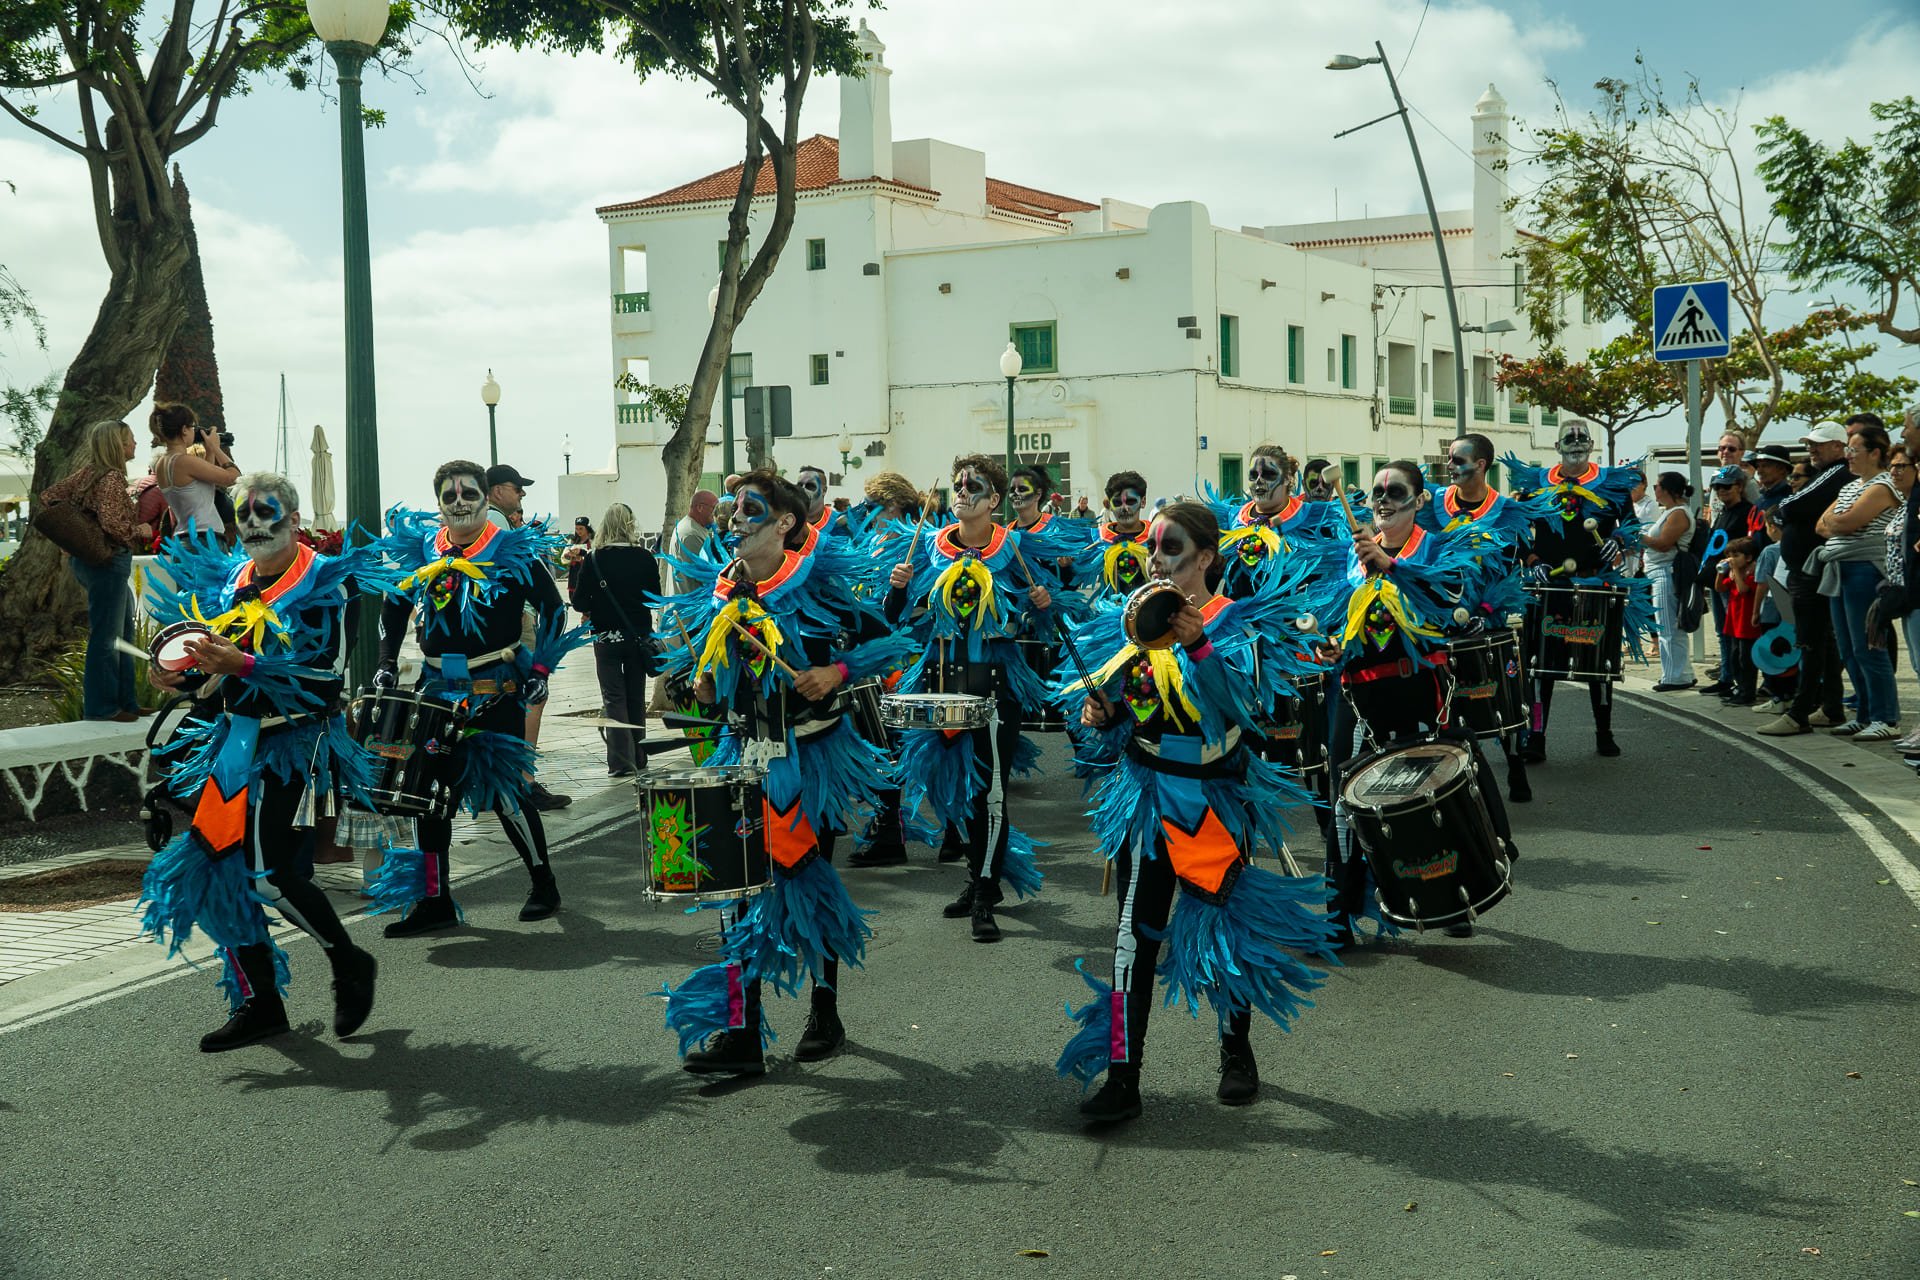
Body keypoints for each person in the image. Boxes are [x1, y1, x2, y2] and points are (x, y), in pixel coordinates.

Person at [1055, 501, 1338, 1124]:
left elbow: (1245, 709)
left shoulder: (1239, 623)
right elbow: (1116, 720)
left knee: (1224, 932)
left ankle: (1235, 1052)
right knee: (1132, 939)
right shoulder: (1128, 622)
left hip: (1213, 797)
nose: (1155, 558)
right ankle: (1124, 1075)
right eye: (1154, 548)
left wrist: (1200, 645)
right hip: (1148, 794)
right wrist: (1100, 717)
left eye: (1171, 547)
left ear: (1205, 557)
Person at [655, 470, 899, 1076]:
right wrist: (704, 683)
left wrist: (835, 675)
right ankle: (741, 1031)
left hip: (812, 758)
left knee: (808, 883)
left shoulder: (819, 581)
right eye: (735, 510)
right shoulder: (721, 592)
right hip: (741, 753)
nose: (736, 520)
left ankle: (825, 1009)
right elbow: (705, 680)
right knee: (733, 891)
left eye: (751, 510)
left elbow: (886, 641)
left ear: (785, 523)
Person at [136, 471, 382, 1052]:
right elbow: (209, 670)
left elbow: (326, 677)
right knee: (216, 875)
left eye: (266, 513)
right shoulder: (231, 582)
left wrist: (242, 667)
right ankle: (261, 1003)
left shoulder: (323, 584)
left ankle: (348, 961)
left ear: (295, 521)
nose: (252, 524)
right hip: (232, 746)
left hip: (296, 746)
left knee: (270, 875)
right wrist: (176, 673)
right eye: (244, 514)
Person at [367, 459, 584, 933]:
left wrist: (541, 667)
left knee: (505, 792)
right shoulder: (423, 550)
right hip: (435, 689)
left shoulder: (511, 550)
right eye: (450, 496)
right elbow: (393, 607)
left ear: (487, 499)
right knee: (427, 795)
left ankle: (543, 881)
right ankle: (435, 900)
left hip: (496, 689)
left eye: (469, 494)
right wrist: (385, 662)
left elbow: (553, 608)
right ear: (439, 504)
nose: (460, 502)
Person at [1322, 461, 1513, 943]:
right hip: (1360, 690)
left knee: (1430, 789)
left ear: (1420, 500)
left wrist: (1391, 565)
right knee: (1347, 795)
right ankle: (1337, 914)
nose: (1383, 500)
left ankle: (1452, 903)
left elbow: (1449, 598)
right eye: (1376, 492)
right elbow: (1334, 619)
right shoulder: (1349, 553)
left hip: (1420, 686)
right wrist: (1328, 644)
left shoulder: (1436, 547)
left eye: (1395, 491)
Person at [885, 454, 1074, 941]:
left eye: (976, 487)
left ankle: (985, 889)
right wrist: (899, 591)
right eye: (958, 485)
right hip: (940, 679)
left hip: (994, 685)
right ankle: (979, 879)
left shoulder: (1014, 550)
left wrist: (1041, 609)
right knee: (958, 793)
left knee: (990, 793)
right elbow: (897, 618)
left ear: (993, 500)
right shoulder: (928, 548)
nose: (963, 492)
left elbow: (1041, 627)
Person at [1504, 422, 1651, 760]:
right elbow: (1517, 529)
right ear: (1557, 446)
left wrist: (1617, 540)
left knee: (1599, 663)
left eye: (1582, 437)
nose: (1576, 442)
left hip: (1596, 583)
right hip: (1548, 586)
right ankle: (1537, 736)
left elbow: (1630, 525)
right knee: (1541, 665)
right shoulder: (1535, 484)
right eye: (1568, 438)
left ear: (1591, 443)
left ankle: (1604, 732)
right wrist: (1532, 558)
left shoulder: (1612, 484)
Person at [1420, 432, 1553, 803]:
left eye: (1457, 460)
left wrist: (1535, 565)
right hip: (1444, 613)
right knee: (1448, 698)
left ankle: (1515, 764)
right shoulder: (1432, 504)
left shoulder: (1505, 510)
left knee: (1503, 694)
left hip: (1493, 616)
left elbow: (1522, 557)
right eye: (1448, 459)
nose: (1449, 466)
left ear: (1480, 465)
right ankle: (1454, 774)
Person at [39, 420, 151, 722]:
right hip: (108, 562)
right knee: (108, 635)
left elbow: (50, 496)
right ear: (118, 444)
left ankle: (127, 702)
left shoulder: (88, 473)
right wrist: (140, 530)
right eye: (130, 439)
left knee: (123, 631)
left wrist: (75, 532)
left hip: (88, 562)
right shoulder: (112, 478)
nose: (135, 444)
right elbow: (114, 525)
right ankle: (102, 708)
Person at [1761, 422, 1858, 736]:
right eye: (1811, 443)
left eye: (1819, 444)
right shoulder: (1828, 473)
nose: (1812, 449)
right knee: (1822, 642)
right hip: (1808, 569)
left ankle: (1800, 712)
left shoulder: (1835, 472)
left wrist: (1780, 510)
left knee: (1811, 641)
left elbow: (1791, 505)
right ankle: (1830, 707)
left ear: (1838, 446)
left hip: (1809, 571)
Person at [483, 462, 569, 810]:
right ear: (496, 491)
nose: (522, 494)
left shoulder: (485, 524)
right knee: (531, 697)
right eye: (516, 487)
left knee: (503, 703)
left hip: (496, 632)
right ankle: (523, 780)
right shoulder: (499, 523)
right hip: (515, 627)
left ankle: (503, 781)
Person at [1810, 420, 1900, 739]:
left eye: (1853, 449)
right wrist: (1839, 521)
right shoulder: (1849, 487)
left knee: (1868, 646)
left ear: (1875, 453)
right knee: (1848, 648)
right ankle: (1864, 712)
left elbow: (1844, 523)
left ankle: (1885, 717)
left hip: (1865, 569)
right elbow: (1822, 525)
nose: (1848, 454)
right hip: (1840, 570)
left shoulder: (1882, 485)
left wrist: (1840, 521)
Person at [572, 502, 660, 778]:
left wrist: (596, 605)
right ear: (632, 524)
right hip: (638, 636)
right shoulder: (645, 557)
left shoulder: (594, 559)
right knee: (636, 696)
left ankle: (621, 762)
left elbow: (577, 602)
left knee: (613, 698)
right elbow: (653, 597)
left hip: (606, 637)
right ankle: (639, 754)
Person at [1697, 466, 1753, 697]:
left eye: (1726, 486)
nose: (1721, 491)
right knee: (1722, 632)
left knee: (1736, 634)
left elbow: (1747, 546)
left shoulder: (1747, 511)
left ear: (1739, 486)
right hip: (1717, 579)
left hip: (1733, 581)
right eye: (1717, 487)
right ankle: (1726, 677)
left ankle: (1741, 682)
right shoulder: (1722, 512)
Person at [149, 403, 239, 542]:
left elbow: (203, 484)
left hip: (184, 537)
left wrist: (209, 451)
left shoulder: (161, 463)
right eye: (193, 427)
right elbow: (233, 478)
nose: (194, 431)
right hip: (205, 539)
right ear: (184, 429)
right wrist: (216, 448)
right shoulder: (185, 462)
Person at [1642, 473, 1697, 692]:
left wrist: (1637, 537)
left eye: (1656, 486)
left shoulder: (1678, 514)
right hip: (1660, 571)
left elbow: (1663, 543)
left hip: (1667, 572)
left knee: (1668, 627)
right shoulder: (1670, 512)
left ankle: (1675, 676)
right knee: (1668, 626)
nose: (1654, 490)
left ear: (1666, 489)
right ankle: (1680, 673)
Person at [1078, 470, 1152, 602]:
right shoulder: (1096, 539)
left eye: (1130, 501)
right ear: (1109, 505)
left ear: (1143, 502)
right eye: (1117, 503)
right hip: (1109, 616)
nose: (1124, 508)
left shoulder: (1158, 538)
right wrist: (1066, 566)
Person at [1718, 537, 1764, 705]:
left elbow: (1743, 589)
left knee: (1746, 659)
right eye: (1729, 556)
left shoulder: (1752, 573)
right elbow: (1720, 588)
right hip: (1734, 622)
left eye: (1736, 555)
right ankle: (1740, 688)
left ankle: (1748, 692)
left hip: (1747, 623)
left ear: (1748, 557)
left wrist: (1736, 571)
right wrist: (1721, 571)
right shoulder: (1733, 573)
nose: (1732, 560)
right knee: (1735, 657)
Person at [668, 489, 719, 594]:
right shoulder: (691, 534)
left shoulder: (693, 528)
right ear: (700, 507)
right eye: (714, 508)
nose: (717, 513)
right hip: (689, 605)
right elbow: (703, 575)